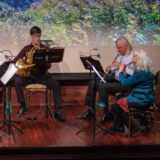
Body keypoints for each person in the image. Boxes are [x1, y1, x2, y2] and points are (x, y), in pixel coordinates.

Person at [13, 26, 65, 121]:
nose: (37, 39)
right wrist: (23, 65)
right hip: (30, 76)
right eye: (35, 36)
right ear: (31, 36)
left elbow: (49, 66)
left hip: (42, 76)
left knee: (56, 84)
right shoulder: (26, 48)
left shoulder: (44, 48)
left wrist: (44, 62)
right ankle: (23, 106)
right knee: (17, 81)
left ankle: (57, 111)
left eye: (39, 36)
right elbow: (15, 61)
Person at [77, 36, 134, 123]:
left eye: (120, 48)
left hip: (125, 83)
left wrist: (120, 66)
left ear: (126, 46)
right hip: (115, 79)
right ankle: (90, 111)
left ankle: (106, 114)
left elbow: (134, 73)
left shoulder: (133, 57)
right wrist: (110, 69)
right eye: (117, 48)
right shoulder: (120, 55)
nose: (118, 50)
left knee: (103, 87)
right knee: (94, 80)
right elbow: (115, 70)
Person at [107, 50, 154, 135]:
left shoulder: (141, 73)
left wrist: (120, 71)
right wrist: (124, 71)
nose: (132, 58)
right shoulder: (144, 70)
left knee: (115, 106)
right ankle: (117, 126)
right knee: (119, 97)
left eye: (135, 57)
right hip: (144, 97)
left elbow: (125, 83)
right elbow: (131, 80)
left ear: (140, 59)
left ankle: (133, 127)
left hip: (141, 99)